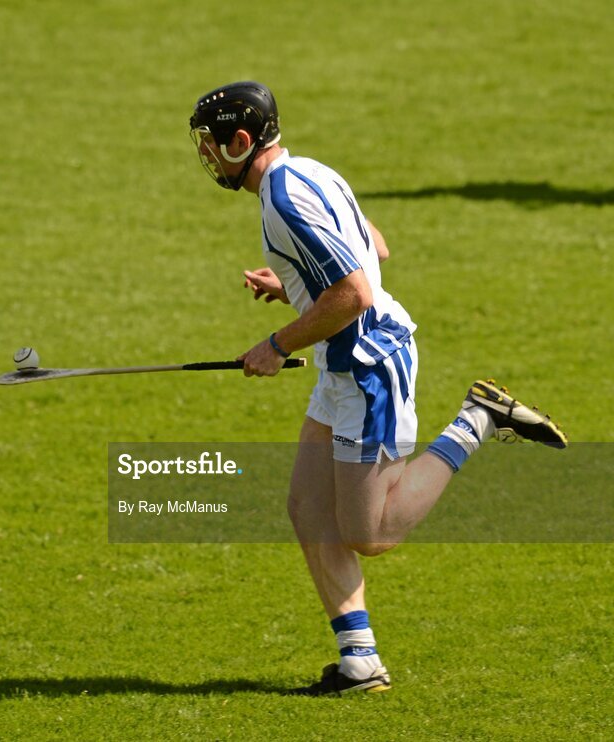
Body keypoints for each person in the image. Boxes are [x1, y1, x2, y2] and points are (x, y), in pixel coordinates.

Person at [188, 81, 567, 696]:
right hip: (342, 364)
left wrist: (278, 343)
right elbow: (374, 249)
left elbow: (357, 293)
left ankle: (478, 419)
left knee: (372, 534)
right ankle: (359, 662)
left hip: (369, 363)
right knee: (309, 509)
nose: (206, 156)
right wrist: (297, 288)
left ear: (241, 140)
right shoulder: (311, 171)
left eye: (212, 144)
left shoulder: (282, 201)